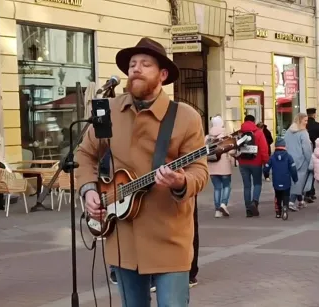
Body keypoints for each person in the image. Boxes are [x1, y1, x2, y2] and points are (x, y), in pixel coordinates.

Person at [76, 37, 208, 307]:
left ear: (162, 75)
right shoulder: (108, 110)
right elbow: (84, 154)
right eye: (132, 64)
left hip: (169, 237)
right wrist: (89, 190)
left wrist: (180, 180)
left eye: (145, 64)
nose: (135, 69)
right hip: (123, 238)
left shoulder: (186, 116)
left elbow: (199, 171)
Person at [237, 115, 270, 217]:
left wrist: (238, 159)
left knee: (247, 186)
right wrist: (266, 163)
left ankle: (248, 209)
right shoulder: (259, 133)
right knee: (257, 183)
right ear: (254, 122)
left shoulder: (240, 133)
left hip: (243, 163)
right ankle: (254, 202)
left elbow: (236, 148)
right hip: (256, 162)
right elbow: (264, 149)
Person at [284, 113, 313, 211]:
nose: (306, 122)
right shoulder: (303, 132)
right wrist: (310, 161)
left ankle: (300, 200)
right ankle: (291, 201)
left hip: (289, 159)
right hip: (301, 160)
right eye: (305, 120)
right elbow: (307, 149)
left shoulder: (288, 131)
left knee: (293, 180)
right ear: (300, 120)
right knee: (299, 181)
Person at [207, 115, 234, 218]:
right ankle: (223, 204)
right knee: (227, 186)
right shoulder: (226, 136)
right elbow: (232, 151)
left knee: (217, 188)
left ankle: (217, 211)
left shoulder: (208, 137)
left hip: (212, 167)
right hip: (224, 167)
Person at [263, 138, 298, 218]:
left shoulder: (272, 157)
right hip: (286, 179)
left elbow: (266, 167)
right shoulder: (289, 157)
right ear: (284, 146)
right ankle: (285, 207)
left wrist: (266, 174)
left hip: (276, 180)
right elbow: (293, 168)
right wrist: (295, 178)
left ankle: (278, 211)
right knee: (286, 194)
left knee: (277, 195)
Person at [304, 108, 319, 203]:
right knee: (312, 173)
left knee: (305, 172)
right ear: (314, 115)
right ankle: (310, 192)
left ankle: (307, 191)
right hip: (316, 152)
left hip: (304, 151)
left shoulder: (303, 125)